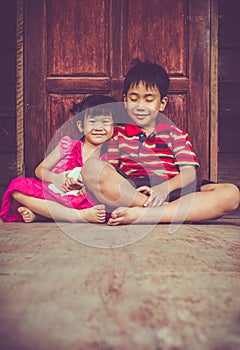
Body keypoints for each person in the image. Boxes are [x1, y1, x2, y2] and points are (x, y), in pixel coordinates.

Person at [80, 60, 240, 225]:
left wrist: (164, 188)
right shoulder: (117, 134)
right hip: (133, 191)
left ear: (162, 103)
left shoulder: (175, 134)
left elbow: (189, 173)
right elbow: (110, 170)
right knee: (92, 167)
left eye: (149, 100)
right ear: (125, 101)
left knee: (231, 194)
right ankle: (163, 210)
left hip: (172, 190)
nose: (141, 106)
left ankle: (149, 214)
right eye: (134, 99)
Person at [0, 95, 116, 223]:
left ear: (114, 126)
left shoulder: (111, 154)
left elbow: (109, 185)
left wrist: (87, 188)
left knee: (108, 206)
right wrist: (56, 178)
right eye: (92, 122)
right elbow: (40, 170)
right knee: (16, 189)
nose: (99, 127)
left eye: (105, 122)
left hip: (84, 200)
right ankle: (75, 216)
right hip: (55, 195)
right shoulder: (67, 146)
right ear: (81, 126)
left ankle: (42, 215)